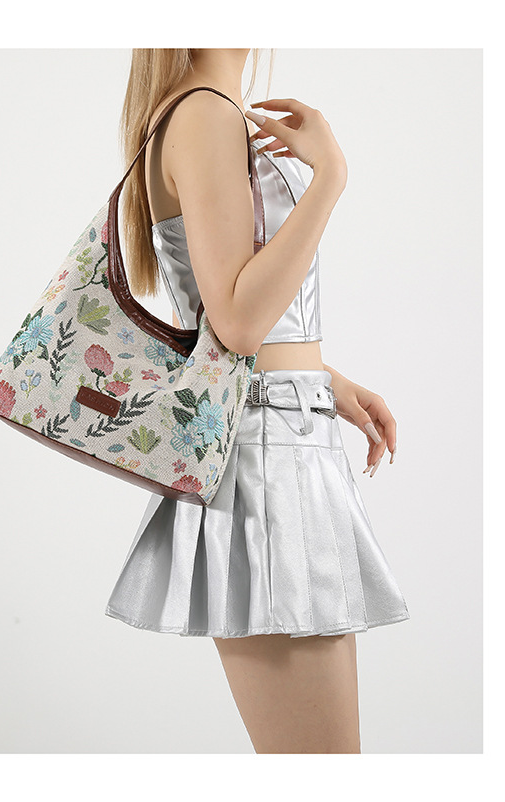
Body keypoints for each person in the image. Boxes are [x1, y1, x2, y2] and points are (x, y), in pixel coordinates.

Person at [104, 48, 410, 754]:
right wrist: (329, 178)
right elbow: (239, 322)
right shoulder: (205, 115)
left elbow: (224, 311)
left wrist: (323, 380)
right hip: (270, 468)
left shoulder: (202, 110)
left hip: (278, 442)